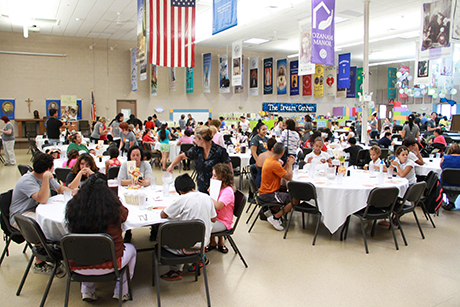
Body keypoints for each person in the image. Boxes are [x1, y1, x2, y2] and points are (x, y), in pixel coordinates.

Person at [65, 173, 136, 301]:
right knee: (132, 250)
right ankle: (121, 291)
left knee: (87, 247)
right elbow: (125, 215)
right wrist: (116, 200)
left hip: (78, 264)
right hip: (111, 264)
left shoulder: (74, 208)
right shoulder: (113, 208)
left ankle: (87, 290)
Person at [10, 152, 71, 274]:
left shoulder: (45, 176)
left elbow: (59, 189)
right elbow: (42, 199)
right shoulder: (27, 180)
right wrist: (45, 178)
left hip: (35, 210)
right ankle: (40, 262)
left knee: (53, 222)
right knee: (44, 226)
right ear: (48, 169)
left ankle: (61, 252)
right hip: (21, 216)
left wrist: (72, 191)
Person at [159, 173, 217, 279]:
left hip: (186, 246)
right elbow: (213, 219)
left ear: (180, 192)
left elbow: (163, 215)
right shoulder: (207, 198)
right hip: (203, 243)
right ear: (194, 187)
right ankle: (200, 258)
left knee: (163, 241)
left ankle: (175, 270)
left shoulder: (181, 199)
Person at [167, 126, 232, 193]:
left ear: (201, 140)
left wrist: (226, 186)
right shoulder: (196, 150)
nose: (194, 140)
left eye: (195, 138)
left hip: (216, 189)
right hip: (201, 187)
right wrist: (171, 166)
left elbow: (229, 170)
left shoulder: (219, 151)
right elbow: (181, 157)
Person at [259, 143, 296, 231]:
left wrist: (287, 164)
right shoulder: (274, 163)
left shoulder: (269, 160)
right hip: (269, 194)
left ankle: (272, 212)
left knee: (287, 194)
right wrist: (290, 164)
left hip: (265, 191)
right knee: (295, 199)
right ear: (282, 153)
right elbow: (289, 177)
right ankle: (276, 217)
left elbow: (282, 172)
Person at [206, 163, 235, 254]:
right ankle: (213, 242)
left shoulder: (227, 191)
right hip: (217, 217)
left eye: (215, 176)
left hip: (223, 221)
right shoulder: (218, 188)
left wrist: (209, 197)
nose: (212, 178)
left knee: (202, 226)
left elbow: (218, 205)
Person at [440, 144, 460, 210]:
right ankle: (452, 201)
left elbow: (441, 167)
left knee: (447, 178)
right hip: (459, 185)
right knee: (456, 180)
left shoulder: (444, 158)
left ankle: (450, 202)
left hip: (445, 184)